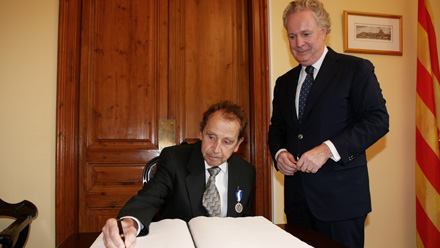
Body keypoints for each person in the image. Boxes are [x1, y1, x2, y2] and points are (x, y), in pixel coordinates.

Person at [268, 0, 389, 247]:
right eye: (291, 36)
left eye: (306, 34)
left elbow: (378, 120)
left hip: (341, 204)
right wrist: (279, 152)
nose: (298, 43)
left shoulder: (355, 69)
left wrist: (327, 150)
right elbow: (277, 128)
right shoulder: (284, 82)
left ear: (324, 31)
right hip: (297, 203)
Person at [102, 101, 256, 248]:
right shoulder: (174, 159)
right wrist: (131, 222)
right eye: (211, 137)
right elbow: (150, 196)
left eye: (227, 142)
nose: (215, 149)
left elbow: (242, 217)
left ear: (238, 144)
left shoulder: (245, 172)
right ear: (201, 133)